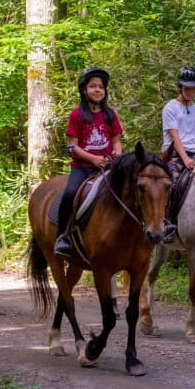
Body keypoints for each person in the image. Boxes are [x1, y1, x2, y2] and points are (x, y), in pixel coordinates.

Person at [54, 66, 124, 257]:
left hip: (108, 167)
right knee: (70, 193)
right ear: (84, 90)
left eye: (101, 87)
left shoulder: (110, 114)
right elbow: (72, 147)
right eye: (93, 86)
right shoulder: (77, 115)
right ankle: (63, 236)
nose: (97, 90)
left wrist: (117, 154)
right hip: (83, 167)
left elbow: (116, 141)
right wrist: (94, 159)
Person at [161, 65, 195, 174]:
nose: (190, 92)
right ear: (180, 87)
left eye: (193, 89)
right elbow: (174, 137)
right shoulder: (170, 108)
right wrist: (186, 159)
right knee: (172, 180)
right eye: (187, 88)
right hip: (175, 154)